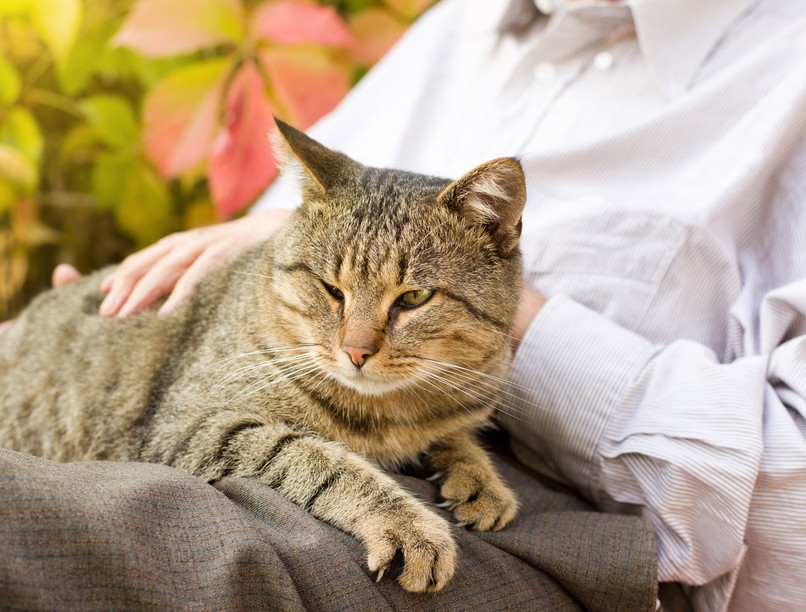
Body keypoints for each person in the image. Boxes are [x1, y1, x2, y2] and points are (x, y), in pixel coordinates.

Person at [8, 0, 806, 609]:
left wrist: (517, 328)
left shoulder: (783, 68)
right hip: (229, 426)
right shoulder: (459, 23)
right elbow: (306, 223)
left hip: (552, 531)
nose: (358, 342)